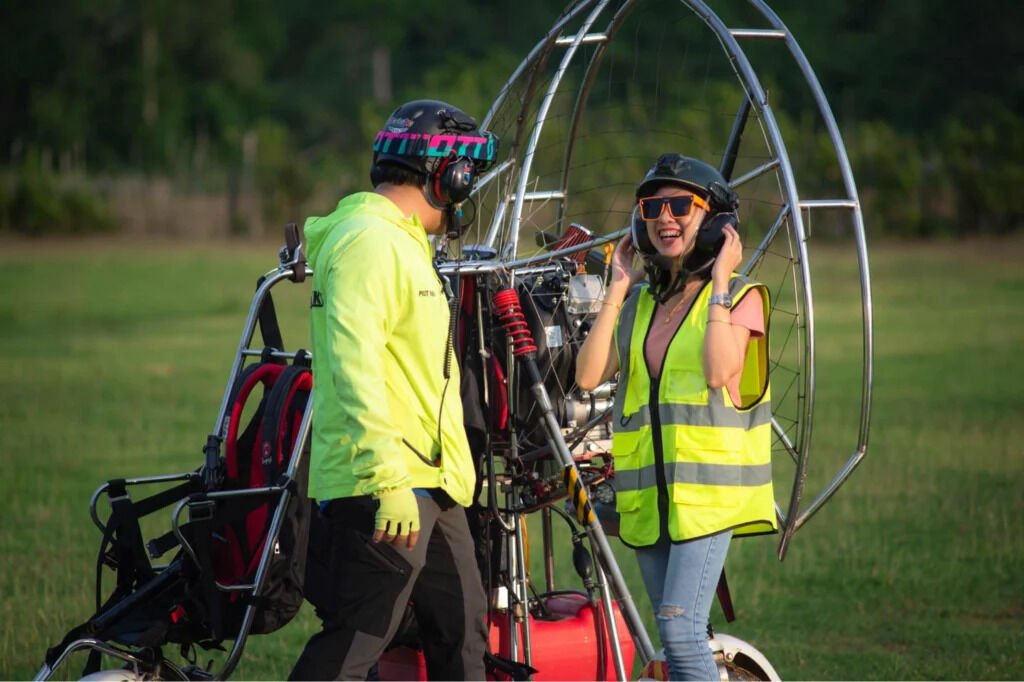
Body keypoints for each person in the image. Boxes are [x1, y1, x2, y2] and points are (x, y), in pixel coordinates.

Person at [289, 99, 498, 681]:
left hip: (434, 484)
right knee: (358, 639)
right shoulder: (369, 241)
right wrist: (388, 481)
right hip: (387, 484)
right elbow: (354, 368)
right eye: (467, 177)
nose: (466, 192)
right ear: (448, 175)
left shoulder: (402, 240)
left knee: (463, 631)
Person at [575, 153, 777, 680]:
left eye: (681, 206)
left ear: (714, 221)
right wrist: (618, 287)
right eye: (652, 207)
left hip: (707, 499)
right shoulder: (641, 302)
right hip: (650, 502)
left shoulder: (743, 297)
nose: (665, 217)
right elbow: (588, 374)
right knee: (672, 644)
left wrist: (722, 282)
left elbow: (717, 371)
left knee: (682, 635)